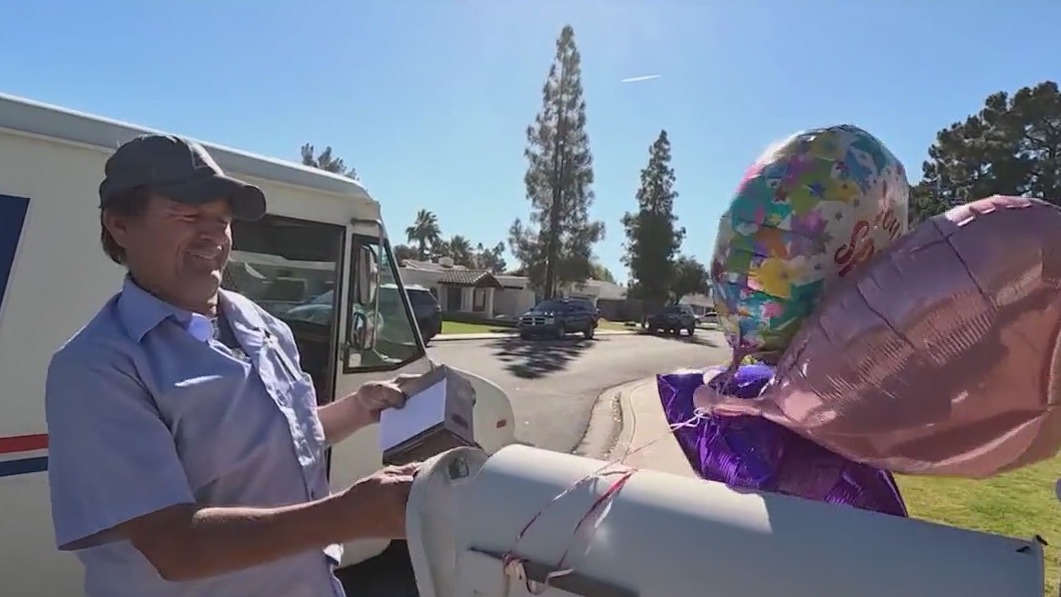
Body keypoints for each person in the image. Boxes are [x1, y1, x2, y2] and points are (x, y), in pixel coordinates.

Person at [45, 134, 419, 597]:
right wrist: (350, 514)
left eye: (222, 221)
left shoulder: (261, 325)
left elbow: (275, 440)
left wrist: (360, 408)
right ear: (120, 225)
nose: (213, 235)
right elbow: (174, 546)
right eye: (187, 215)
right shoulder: (96, 366)